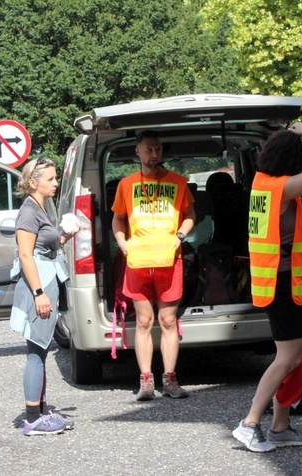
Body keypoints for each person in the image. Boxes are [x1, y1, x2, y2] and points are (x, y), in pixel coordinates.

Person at [233, 122, 302, 452]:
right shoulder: (283, 188)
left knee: (292, 356)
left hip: (285, 283)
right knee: (288, 358)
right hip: (284, 283)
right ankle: (250, 423)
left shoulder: (265, 184)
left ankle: (280, 426)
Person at [111, 130, 196, 401]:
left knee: (168, 320)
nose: (154, 154)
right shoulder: (126, 184)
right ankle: (146, 381)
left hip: (169, 261)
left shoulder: (179, 182)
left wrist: (180, 236)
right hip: (138, 262)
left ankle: (170, 380)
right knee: (145, 321)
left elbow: (190, 215)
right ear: (137, 151)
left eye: (158, 149)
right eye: (148, 149)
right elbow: (118, 219)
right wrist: (121, 242)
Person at [10, 157, 77, 436]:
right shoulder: (28, 210)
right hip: (39, 284)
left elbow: (44, 246)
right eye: (50, 179)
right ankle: (33, 419)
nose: (56, 183)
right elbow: (26, 254)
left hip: (46, 280)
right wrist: (39, 293)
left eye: (55, 178)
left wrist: (64, 236)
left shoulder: (41, 206)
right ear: (33, 182)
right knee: (36, 351)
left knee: (41, 350)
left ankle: (41, 410)